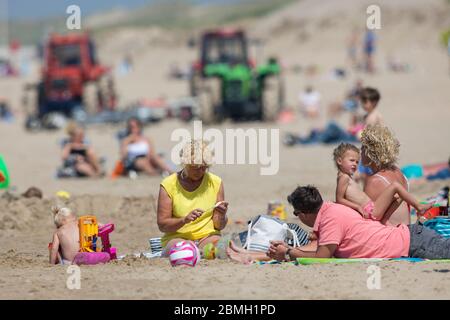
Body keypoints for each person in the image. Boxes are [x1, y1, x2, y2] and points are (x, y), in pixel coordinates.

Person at [267, 185, 450, 261]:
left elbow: (322, 256)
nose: (296, 216)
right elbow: (317, 250)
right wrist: (284, 250)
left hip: (413, 244)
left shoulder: (331, 219)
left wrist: (288, 253)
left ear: (304, 213)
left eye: (295, 213)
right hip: (412, 238)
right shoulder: (330, 210)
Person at [157, 140, 229, 256]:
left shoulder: (215, 182)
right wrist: (184, 220)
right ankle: (198, 253)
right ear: (185, 163)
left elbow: (218, 226)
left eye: (204, 167)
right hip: (178, 238)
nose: (200, 171)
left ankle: (199, 252)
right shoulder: (169, 184)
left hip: (207, 237)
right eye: (196, 167)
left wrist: (221, 215)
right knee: (183, 251)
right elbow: (162, 225)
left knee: (228, 247)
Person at [333, 143, 432, 220]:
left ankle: (390, 222)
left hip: (371, 208)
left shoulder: (346, 177)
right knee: (395, 186)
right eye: (351, 160)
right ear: (340, 161)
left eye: (357, 162)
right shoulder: (344, 178)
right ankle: (419, 206)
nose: (355, 164)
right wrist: (358, 207)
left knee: (398, 197)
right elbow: (339, 199)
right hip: (371, 210)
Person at [361, 125, 411, 226]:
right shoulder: (398, 171)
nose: (360, 151)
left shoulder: (375, 181)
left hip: (393, 235)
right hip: (408, 230)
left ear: (370, 152)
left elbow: (366, 216)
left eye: (363, 147)